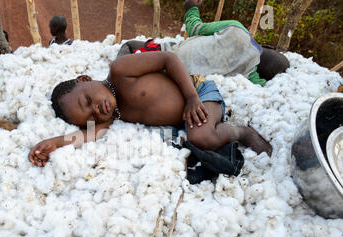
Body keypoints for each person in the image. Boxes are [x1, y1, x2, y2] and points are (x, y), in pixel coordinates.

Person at [28, 51, 272, 167]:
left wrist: (191, 97)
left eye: (87, 100)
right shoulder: (112, 114)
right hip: (184, 118)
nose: (97, 110)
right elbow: (91, 133)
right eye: (90, 115)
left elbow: (170, 59)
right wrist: (54, 142)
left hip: (200, 95)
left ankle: (241, 132)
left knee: (201, 137)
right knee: (192, 139)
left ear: (84, 79)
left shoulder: (121, 70)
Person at [117, 0, 290, 86]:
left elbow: (194, 28)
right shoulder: (250, 76)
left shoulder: (238, 29)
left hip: (168, 53)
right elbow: (261, 87)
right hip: (178, 78)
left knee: (130, 46)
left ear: (264, 48)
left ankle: (114, 76)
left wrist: (191, 7)